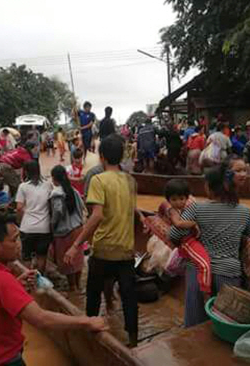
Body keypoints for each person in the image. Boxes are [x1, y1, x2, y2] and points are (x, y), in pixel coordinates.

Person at [0, 212, 108, 366]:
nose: (19, 244)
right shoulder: (2, 280)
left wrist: (15, 285)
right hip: (3, 361)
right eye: (14, 240)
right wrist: (86, 322)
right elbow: (42, 319)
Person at [64, 134, 140, 346]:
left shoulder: (98, 179)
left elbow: (96, 216)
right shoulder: (131, 181)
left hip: (104, 249)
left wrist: (75, 245)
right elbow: (130, 210)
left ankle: (91, 334)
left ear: (102, 156)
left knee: (93, 294)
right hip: (126, 250)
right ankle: (133, 340)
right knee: (129, 298)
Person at [171, 162, 250, 327]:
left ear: (209, 187)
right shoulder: (244, 211)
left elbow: (174, 234)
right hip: (230, 273)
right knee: (225, 324)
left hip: (198, 272)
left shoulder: (196, 208)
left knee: (194, 326)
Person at [164, 179, 211, 296]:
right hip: (186, 241)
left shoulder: (187, 208)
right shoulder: (173, 210)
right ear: (168, 200)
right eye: (174, 199)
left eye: (181, 199)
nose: (178, 202)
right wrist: (194, 223)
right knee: (204, 264)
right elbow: (178, 224)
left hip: (188, 239)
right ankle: (205, 290)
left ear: (186, 198)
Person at [50, 165, 86, 292]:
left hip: (64, 231)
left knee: (67, 260)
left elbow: (58, 212)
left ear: (54, 179)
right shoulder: (73, 190)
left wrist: (52, 225)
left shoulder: (56, 193)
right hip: (78, 229)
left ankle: (72, 287)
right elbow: (82, 207)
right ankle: (78, 285)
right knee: (77, 258)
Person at [16, 161, 53, 272]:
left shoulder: (23, 187)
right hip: (44, 228)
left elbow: (19, 208)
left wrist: (20, 221)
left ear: (26, 171)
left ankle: (29, 279)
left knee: (27, 256)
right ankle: (40, 278)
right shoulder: (48, 185)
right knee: (41, 256)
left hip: (27, 227)